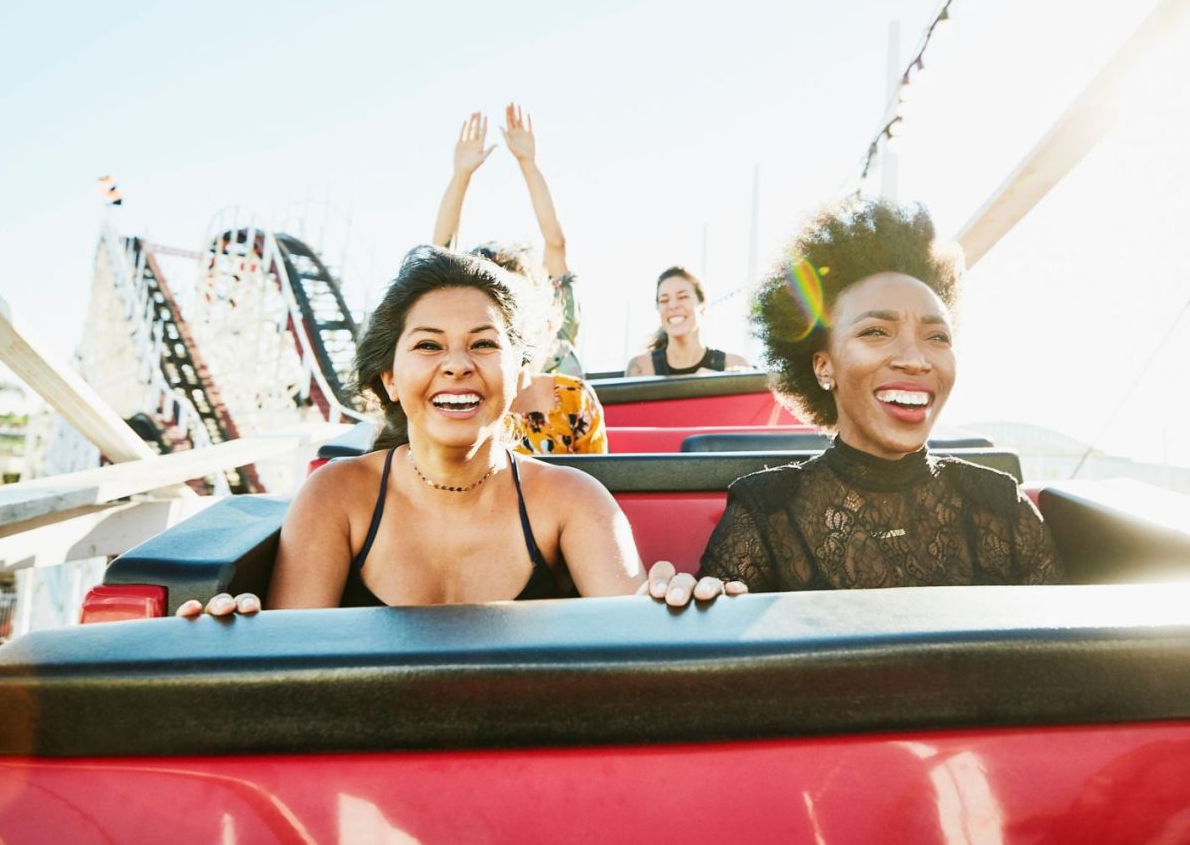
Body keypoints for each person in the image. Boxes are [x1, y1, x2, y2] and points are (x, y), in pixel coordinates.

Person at [178, 247, 732, 616]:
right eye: (428, 345)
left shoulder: (573, 501)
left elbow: (633, 642)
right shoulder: (336, 496)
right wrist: (225, 642)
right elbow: (287, 672)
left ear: (520, 373)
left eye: (483, 344)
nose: (457, 365)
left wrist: (677, 609)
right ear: (390, 378)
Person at [698, 199, 1064, 591]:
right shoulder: (766, 512)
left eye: (937, 337)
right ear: (824, 366)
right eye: (875, 332)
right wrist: (681, 601)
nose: (915, 360)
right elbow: (712, 623)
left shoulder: (1002, 504)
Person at [433, 105, 582, 378]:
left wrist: (528, 163)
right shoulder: (480, 351)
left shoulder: (556, 333)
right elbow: (438, 258)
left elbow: (556, 243)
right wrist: (461, 175)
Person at [626, 266, 749, 376]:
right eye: (664, 300)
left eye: (683, 297)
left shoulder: (733, 365)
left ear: (702, 306)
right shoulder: (641, 368)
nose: (672, 305)